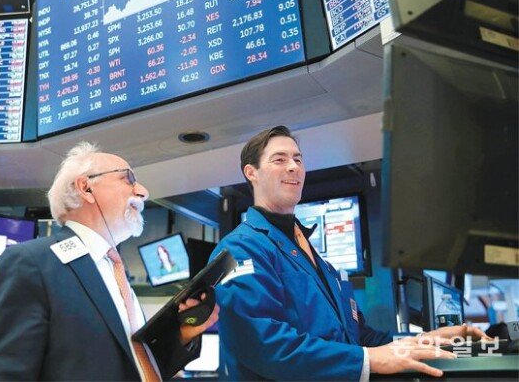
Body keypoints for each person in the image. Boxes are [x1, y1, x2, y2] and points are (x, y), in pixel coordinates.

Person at [209, 125, 490, 381]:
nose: (293, 167)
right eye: (279, 159)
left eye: (298, 159)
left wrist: (424, 341)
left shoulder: (317, 260)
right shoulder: (240, 249)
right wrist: (368, 359)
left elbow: (360, 338)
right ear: (252, 173)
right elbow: (265, 346)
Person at [0, 142, 218, 381]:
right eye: (128, 179)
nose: (143, 191)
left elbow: (131, 367)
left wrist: (182, 334)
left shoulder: (115, 272)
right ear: (86, 188)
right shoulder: (31, 263)